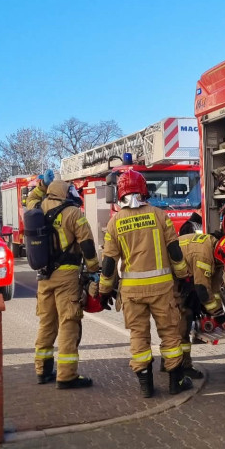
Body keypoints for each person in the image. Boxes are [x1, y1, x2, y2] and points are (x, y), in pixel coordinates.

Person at [99, 169, 192, 397]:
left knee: (139, 336)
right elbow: (174, 250)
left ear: (120, 193)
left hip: (132, 292)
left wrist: (103, 290)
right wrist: (183, 276)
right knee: (170, 334)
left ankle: (146, 386)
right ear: (144, 191)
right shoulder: (160, 215)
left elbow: (109, 262)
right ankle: (174, 383)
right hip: (162, 289)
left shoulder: (115, 222)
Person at [28, 172, 99, 389]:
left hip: (43, 277)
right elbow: (86, 245)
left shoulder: (36, 209)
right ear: (64, 192)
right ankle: (67, 375)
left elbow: (31, 198)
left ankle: (42, 371)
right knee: (68, 323)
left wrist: (41, 184)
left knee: (46, 323)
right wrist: (94, 269)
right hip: (66, 276)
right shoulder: (73, 212)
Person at [174, 232, 225, 377]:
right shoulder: (204, 257)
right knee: (182, 322)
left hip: (182, 278)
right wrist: (218, 315)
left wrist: (217, 311)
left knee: (184, 317)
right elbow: (202, 289)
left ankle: (171, 363)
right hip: (171, 280)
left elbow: (214, 290)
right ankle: (182, 367)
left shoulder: (216, 251)